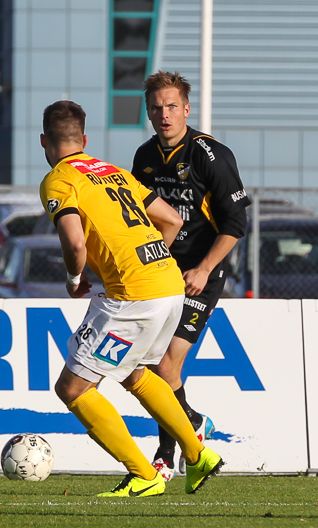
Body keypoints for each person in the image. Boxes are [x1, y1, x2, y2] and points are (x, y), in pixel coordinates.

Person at [39, 100, 224, 497]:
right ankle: (197, 454)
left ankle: (144, 474)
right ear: (85, 140)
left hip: (134, 295)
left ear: (43, 141)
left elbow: (73, 241)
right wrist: (153, 260)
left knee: (72, 389)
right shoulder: (116, 172)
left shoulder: (59, 179)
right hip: (168, 281)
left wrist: (75, 279)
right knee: (137, 372)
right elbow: (173, 219)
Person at [132, 71, 251, 481]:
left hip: (203, 272)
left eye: (171, 106)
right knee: (153, 367)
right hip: (162, 273)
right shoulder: (144, 156)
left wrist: (204, 268)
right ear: (148, 112)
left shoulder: (209, 153)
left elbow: (236, 223)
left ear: (186, 109)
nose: (163, 115)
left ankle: (176, 446)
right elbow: (141, 219)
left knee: (165, 364)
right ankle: (185, 433)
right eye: (155, 108)